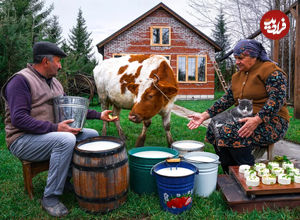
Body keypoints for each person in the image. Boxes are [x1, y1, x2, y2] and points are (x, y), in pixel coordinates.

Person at [1, 41, 117, 217]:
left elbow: (70, 108)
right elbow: (18, 119)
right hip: (22, 139)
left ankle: (65, 181)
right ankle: (50, 198)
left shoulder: (54, 83)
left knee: (90, 134)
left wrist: (98, 115)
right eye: (58, 61)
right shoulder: (20, 81)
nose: (60, 66)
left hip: (48, 135)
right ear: (46, 62)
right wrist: (56, 127)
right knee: (66, 139)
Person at [187, 39, 289, 174]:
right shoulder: (237, 76)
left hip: (273, 120)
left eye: (240, 58)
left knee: (231, 131)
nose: (237, 62)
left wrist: (257, 119)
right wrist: (204, 115)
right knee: (215, 126)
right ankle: (230, 173)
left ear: (254, 56)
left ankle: (247, 172)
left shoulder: (271, 71)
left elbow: (277, 99)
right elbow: (226, 99)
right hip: (246, 115)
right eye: (235, 58)